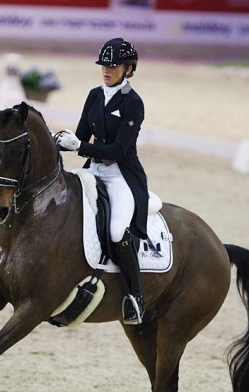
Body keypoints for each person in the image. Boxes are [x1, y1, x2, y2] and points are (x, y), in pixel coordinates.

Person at [56, 37, 148, 326]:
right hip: (93, 170)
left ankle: (136, 297)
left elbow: (118, 150)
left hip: (120, 174)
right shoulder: (95, 95)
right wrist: (58, 141)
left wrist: (79, 147)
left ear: (128, 69)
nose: (106, 70)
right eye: (104, 66)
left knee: (118, 230)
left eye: (113, 65)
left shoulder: (133, 103)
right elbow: (82, 134)